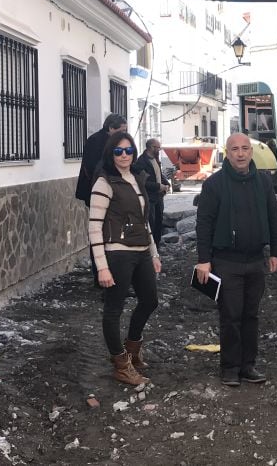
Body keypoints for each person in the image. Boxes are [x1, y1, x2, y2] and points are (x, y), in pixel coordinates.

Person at [195, 132, 277, 387]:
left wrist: (276, 251)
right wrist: (204, 259)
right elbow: (204, 224)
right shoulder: (214, 185)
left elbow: (272, 218)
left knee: (251, 315)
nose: (241, 153)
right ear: (227, 152)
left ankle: (248, 365)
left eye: (245, 148)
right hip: (226, 261)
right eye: (235, 149)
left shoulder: (264, 182)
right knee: (231, 315)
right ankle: (230, 367)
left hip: (256, 260)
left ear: (251, 152)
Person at [89, 131, 161, 386]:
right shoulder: (104, 182)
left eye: (128, 150)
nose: (124, 155)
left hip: (141, 251)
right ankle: (120, 363)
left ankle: (132, 349)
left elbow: (144, 220)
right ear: (111, 153)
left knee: (150, 300)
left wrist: (153, 252)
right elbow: (94, 227)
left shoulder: (137, 178)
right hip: (117, 254)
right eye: (118, 151)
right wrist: (102, 268)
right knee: (113, 310)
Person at [76, 114, 127, 287]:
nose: (124, 134)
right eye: (121, 130)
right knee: (100, 234)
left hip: (110, 192)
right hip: (99, 192)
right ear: (111, 128)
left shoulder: (111, 141)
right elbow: (93, 168)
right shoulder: (96, 141)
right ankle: (101, 274)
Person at [133, 138, 170, 248]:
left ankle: (157, 248)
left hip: (158, 197)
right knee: (151, 224)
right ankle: (151, 249)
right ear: (151, 147)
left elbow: (158, 175)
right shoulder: (141, 162)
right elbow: (143, 182)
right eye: (158, 148)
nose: (159, 150)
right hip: (149, 198)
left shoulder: (155, 159)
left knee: (159, 223)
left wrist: (166, 183)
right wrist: (159, 186)